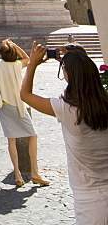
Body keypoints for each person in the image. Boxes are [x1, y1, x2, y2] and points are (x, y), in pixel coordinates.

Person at [21, 42, 108, 222]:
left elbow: (25, 95)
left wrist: (32, 65)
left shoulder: (66, 109)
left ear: (69, 76)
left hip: (90, 200)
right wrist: (77, 57)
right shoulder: (105, 103)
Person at [0, 38, 49, 188]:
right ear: (13, 54)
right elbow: (27, 58)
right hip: (17, 106)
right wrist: (15, 45)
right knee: (32, 136)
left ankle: (18, 175)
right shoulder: (16, 65)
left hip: (4, 107)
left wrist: (8, 46)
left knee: (11, 140)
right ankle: (35, 173)